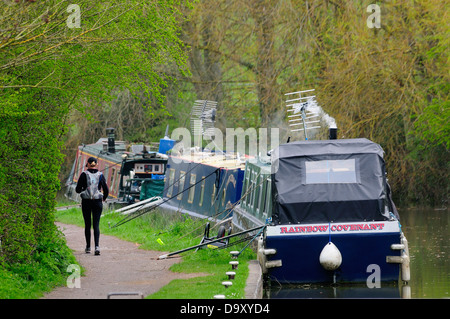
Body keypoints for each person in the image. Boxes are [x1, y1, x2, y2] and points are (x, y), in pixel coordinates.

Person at [75, 157, 109, 255]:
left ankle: (88, 247)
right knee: (96, 224)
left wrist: (83, 189)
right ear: (96, 164)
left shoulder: (83, 174)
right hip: (97, 201)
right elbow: (106, 189)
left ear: (88, 164)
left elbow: (77, 190)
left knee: (87, 225)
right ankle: (97, 247)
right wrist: (104, 198)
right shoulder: (101, 175)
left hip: (86, 202)